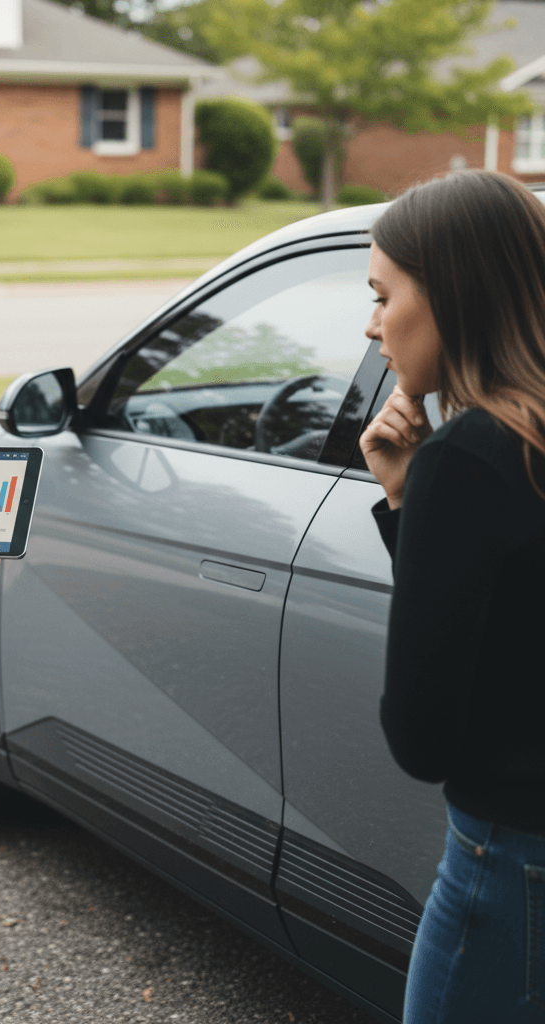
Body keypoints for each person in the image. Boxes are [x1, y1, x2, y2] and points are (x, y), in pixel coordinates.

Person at [359, 169, 545, 1024]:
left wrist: (413, 499)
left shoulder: (467, 462)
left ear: (452, 295)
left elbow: (422, 739)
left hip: (511, 866)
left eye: (382, 294)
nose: (373, 326)